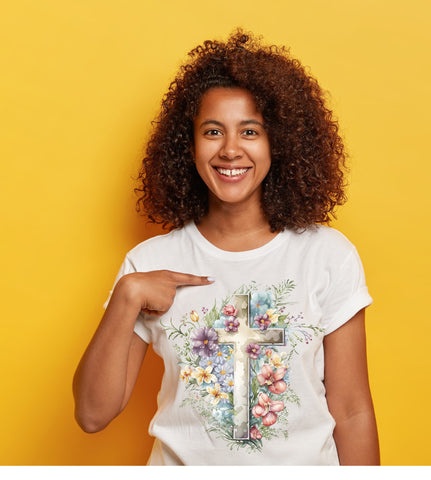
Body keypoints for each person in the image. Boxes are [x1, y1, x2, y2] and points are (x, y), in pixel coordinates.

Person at [73, 29, 380, 466]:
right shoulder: (150, 263)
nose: (231, 150)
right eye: (213, 131)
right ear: (188, 145)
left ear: (280, 142)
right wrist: (126, 297)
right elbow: (91, 414)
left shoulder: (327, 255)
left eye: (250, 131)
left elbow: (352, 411)